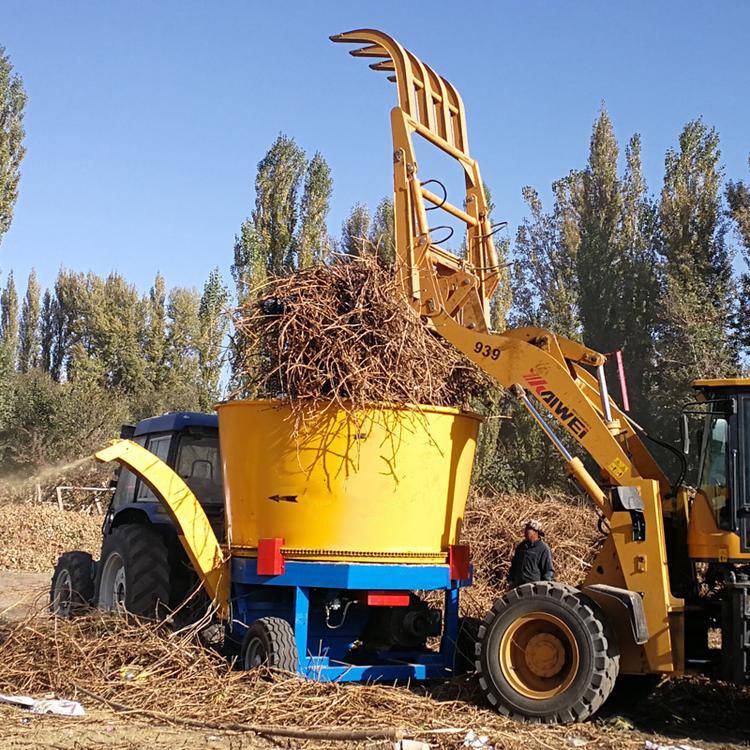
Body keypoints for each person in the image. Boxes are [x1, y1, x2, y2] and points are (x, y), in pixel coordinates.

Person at [507, 519, 554, 587]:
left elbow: (548, 571)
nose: (525, 531)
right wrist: (511, 580)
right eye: (525, 529)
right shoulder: (521, 547)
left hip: (534, 589)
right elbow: (514, 566)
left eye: (528, 529)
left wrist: (546, 586)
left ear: (535, 532)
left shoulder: (543, 549)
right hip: (518, 587)